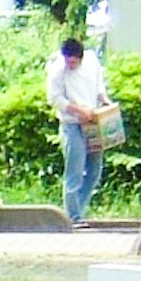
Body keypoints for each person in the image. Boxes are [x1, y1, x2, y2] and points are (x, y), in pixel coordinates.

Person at [45, 30, 113, 225]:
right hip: (72, 124)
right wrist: (77, 110)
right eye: (68, 61)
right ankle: (73, 216)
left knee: (94, 171)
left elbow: (98, 85)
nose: (70, 65)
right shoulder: (57, 70)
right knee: (74, 169)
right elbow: (55, 98)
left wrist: (104, 100)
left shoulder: (91, 61)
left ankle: (79, 209)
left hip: (93, 120)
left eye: (74, 62)